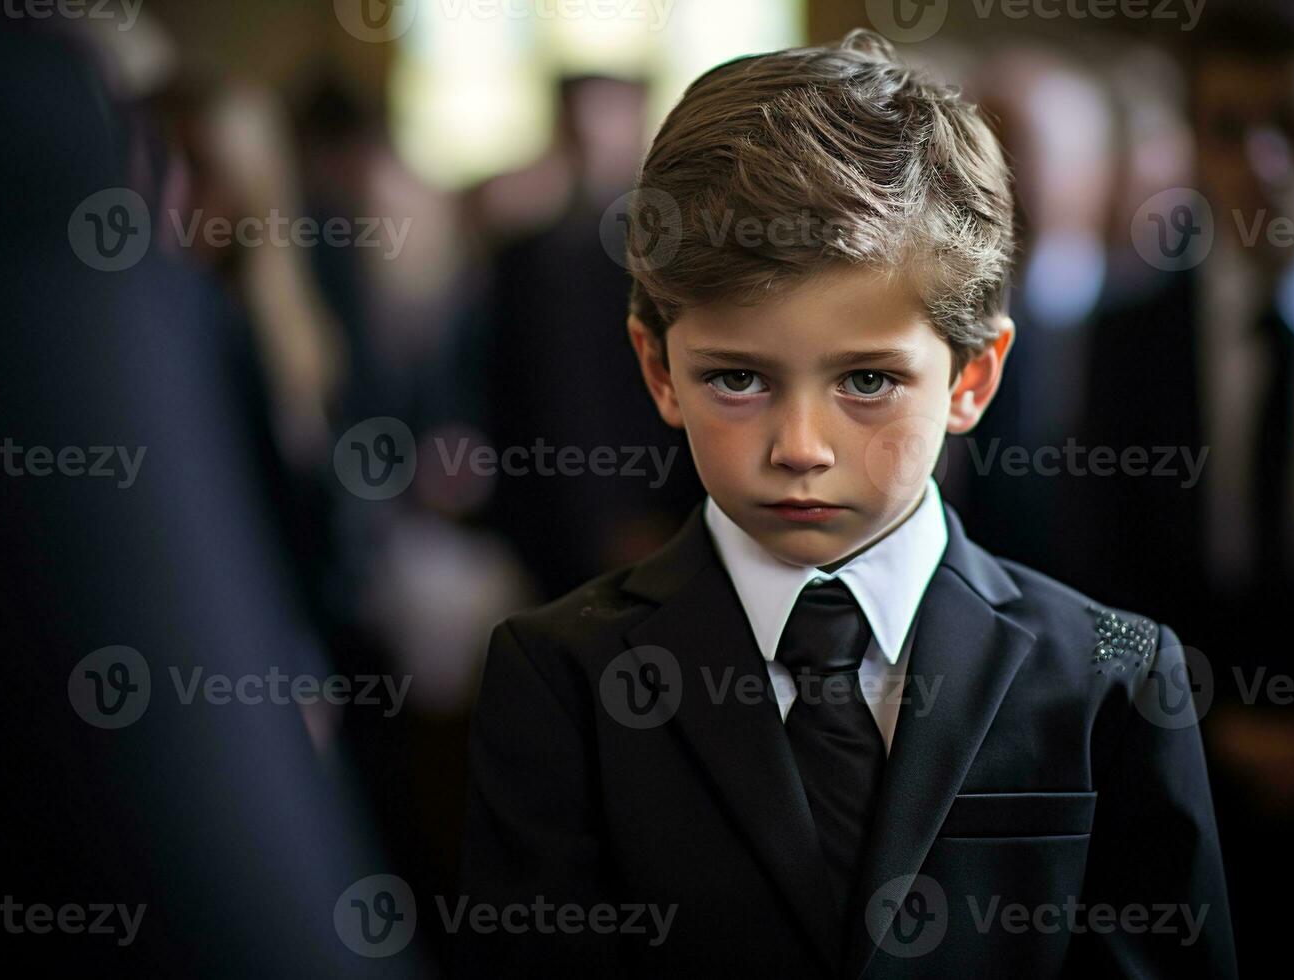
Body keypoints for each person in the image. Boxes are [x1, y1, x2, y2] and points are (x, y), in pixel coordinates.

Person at [457, 29, 1236, 979]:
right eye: (737, 380)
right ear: (659, 370)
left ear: (972, 378)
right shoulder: (557, 680)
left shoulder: (1111, 677)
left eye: (867, 380)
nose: (800, 449)